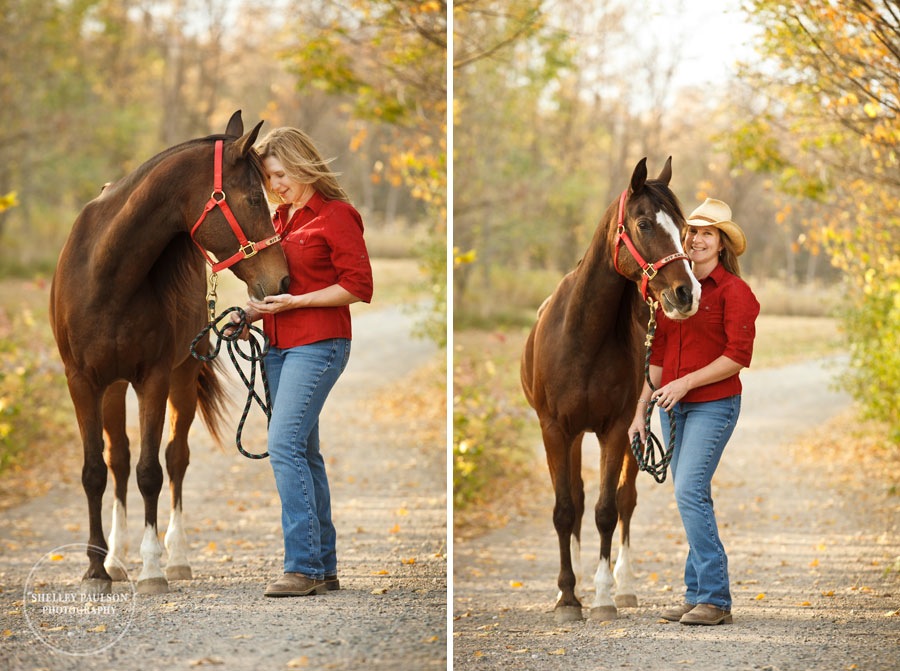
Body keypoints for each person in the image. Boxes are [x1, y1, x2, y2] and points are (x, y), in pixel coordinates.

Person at [235, 127, 373, 597]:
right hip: (277, 345)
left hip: (319, 343)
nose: (275, 185)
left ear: (301, 164)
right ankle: (324, 566)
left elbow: (358, 287)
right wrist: (252, 314)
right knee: (304, 452)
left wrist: (296, 305)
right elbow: (278, 287)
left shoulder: (337, 216)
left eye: (278, 174)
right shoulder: (280, 219)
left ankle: (302, 566)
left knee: (284, 445)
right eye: (269, 179)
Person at [628, 198, 760, 625]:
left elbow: (737, 357)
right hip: (673, 408)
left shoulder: (735, 292)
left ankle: (716, 599)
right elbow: (660, 354)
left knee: (688, 490)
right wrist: (639, 413)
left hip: (714, 405)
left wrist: (685, 383)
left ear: (722, 244)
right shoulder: (673, 287)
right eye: (693, 232)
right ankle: (695, 593)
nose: (698, 239)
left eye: (708, 233)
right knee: (691, 496)